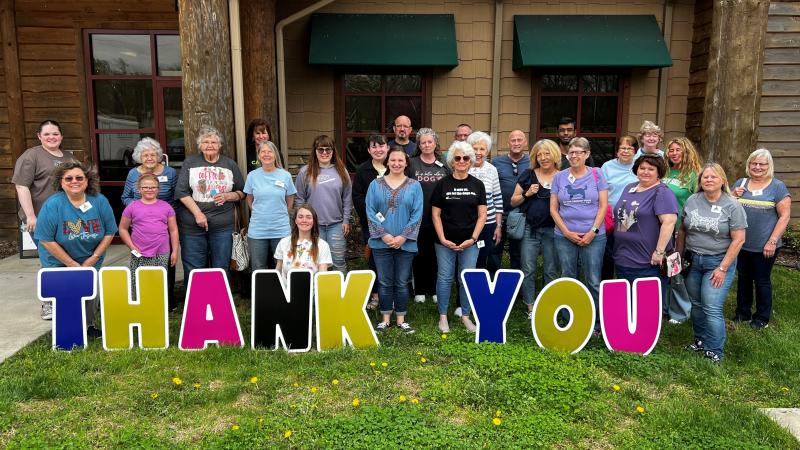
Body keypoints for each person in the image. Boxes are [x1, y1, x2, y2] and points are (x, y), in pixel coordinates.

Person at [34, 162, 117, 337]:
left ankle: (89, 325)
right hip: (58, 260)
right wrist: (71, 264)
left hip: (89, 257)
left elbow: (110, 232)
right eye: (69, 178)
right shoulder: (53, 204)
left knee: (89, 291)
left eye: (79, 177)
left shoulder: (99, 201)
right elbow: (46, 239)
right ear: (61, 182)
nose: (74, 181)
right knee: (66, 293)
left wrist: (93, 258)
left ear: (87, 181)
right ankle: (66, 326)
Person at [677, 163, 747, 363]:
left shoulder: (732, 205)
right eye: (705, 177)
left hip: (718, 261)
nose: (708, 180)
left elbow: (739, 239)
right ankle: (700, 341)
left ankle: (715, 350)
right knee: (696, 304)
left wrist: (722, 268)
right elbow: (683, 230)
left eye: (713, 177)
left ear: (722, 180)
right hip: (693, 260)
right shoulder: (692, 200)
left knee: (712, 306)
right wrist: (678, 257)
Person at [550, 137, 608, 330]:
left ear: (587, 154)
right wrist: (566, 232)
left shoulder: (597, 174)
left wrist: (593, 231)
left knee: (593, 279)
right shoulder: (559, 177)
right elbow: (553, 209)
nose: (574, 156)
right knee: (568, 277)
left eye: (579, 152)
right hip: (565, 236)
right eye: (571, 152)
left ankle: (596, 323)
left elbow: (603, 206)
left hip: (594, 236)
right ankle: (569, 320)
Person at [732, 149, 791, 329]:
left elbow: (784, 216)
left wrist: (772, 241)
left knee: (762, 279)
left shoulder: (777, 186)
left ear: (769, 166)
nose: (757, 167)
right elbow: (726, 206)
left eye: (762, 164)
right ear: (749, 164)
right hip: (741, 243)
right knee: (743, 278)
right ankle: (742, 313)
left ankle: (762, 317)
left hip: (765, 245)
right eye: (754, 163)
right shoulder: (741, 183)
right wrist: (733, 196)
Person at [431, 141, 487, 333]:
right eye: (457, 158)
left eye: (465, 158)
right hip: (444, 242)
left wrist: (472, 239)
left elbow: (482, 216)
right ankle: (443, 317)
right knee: (445, 278)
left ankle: (465, 316)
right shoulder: (442, 184)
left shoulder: (477, 185)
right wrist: (442, 238)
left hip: (470, 242)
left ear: (471, 161)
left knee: (466, 279)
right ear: (452, 161)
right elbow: (435, 215)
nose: (462, 161)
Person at [175, 126, 245, 276]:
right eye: (205, 142)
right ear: (200, 145)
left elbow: (242, 192)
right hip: (192, 226)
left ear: (219, 145)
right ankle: (195, 299)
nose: (210, 145)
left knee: (221, 267)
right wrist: (198, 214)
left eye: (213, 142)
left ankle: (218, 299)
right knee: (194, 268)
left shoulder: (229, 164)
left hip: (223, 227)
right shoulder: (190, 163)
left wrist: (229, 196)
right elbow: (181, 192)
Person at [367, 147, 423, 334]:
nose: (396, 164)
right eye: (393, 160)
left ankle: (401, 318)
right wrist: (384, 235)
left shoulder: (414, 186)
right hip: (380, 242)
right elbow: (370, 210)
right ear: (387, 162)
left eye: (400, 160)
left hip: (405, 243)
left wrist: (402, 237)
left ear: (406, 163)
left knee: (401, 282)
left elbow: (417, 214)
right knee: (384, 281)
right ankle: (385, 318)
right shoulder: (375, 185)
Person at [121, 137, 180, 308]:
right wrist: (139, 211)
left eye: (153, 154)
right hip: (141, 224)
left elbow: (176, 196)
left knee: (166, 263)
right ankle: (140, 300)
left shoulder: (169, 173)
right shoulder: (133, 174)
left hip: (164, 221)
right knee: (139, 268)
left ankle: (166, 301)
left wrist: (165, 211)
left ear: (159, 156)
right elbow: (125, 196)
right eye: (145, 155)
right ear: (140, 156)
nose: (149, 158)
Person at [611, 154, 678, 302]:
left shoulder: (662, 192)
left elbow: (669, 223)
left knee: (646, 306)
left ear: (658, 172)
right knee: (625, 303)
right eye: (642, 168)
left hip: (648, 261)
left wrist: (659, 252)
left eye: (651, 169)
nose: (645, 172)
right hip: (623, 257)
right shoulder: (629, 188)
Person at [511, 139, 560, 319]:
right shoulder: (528, 174)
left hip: (553, 230)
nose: (543, 158)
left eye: (547, 153)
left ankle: (550, 305)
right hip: (529, 229)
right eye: (539, 155)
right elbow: (513, 200)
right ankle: (530, 307)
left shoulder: (562, 176)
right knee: (528, 269)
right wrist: (527, 193)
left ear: (554, 155)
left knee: (550, 269)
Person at [294, 135, 352, 273]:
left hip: (336, 225)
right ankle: (316, 293)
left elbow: (347, 198)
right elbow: (299, 199)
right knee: (313, 262)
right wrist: (302, 221)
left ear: (333, 151)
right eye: (321, 149)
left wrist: (346, 220)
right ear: (315, 151)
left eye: (328, 149)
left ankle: (339, 293)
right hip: (313, 226)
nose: (324, 153)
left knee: (338, 262)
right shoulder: (305, 172)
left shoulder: (341, 171)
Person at [118, 174, 179, 298]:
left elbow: (173, 230)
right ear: (139, 189)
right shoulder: (132, 207)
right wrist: (131, 246)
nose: (149, 190)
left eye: (153, 187)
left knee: (158, 281)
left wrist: (175, 252)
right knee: (138, 281)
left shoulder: (166, 207)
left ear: (158, 189)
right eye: (145, 187)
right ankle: (138, 306)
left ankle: (157, 307)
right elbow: (122, 229)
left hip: (161, 252)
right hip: (139, 251)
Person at [13, 119, 77, 237]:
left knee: (69, 254)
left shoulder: (70, 158)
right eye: (46, 134)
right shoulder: (31, 155)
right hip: (41, 218)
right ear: (39, 136)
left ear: (61, 137)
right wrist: (31, 216)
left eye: (55, 134)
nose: (51, 137)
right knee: (50, 254)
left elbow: (80, 185)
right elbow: (21, 186)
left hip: (68, 217)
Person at [408, 128, 450, 303]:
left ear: (435, 144)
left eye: (430, 142)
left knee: (435, 254)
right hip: (418, 216)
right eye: (423, 142)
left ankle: (433, 288)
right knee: (419, 253)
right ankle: (420, 289)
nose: (426, 145)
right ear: (419, 144)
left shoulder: (443, 164)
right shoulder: (411, 163)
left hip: (439, 218)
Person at [244, 140, 296, 271]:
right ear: (259, 155)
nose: (266, 154)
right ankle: (261, 292)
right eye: (263, 152)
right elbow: (249, 198)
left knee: (283, 266)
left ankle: (283, 291)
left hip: (281, 229)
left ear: (275, 155)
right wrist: (258, 212)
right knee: (258, 267)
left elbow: (290, 197)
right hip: (257, 230)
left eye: (270, 151)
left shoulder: (285, 175)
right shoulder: (252, 176)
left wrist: (283, 212)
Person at [352, 134, 388, 309]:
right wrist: (371, 218)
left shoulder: (395, 165)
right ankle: (375, 295)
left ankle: (391, 295)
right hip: (371, 224)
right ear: (369, 150)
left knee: (393, 257)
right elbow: (358, 197)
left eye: (381, 146)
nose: (378, 149)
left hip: (396, 223)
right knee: (374, 257)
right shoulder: (363, 170)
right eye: (374, 146)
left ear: (387, 148)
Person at [489, 130, 530, 273]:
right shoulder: (496, 162)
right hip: (499, 214)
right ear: (508, 143)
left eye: (520, 140)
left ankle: (516, 288)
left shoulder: (531, 162)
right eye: (513, 140)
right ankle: (492, 283)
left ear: (525, 142)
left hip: (521, 216)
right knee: (494, 251)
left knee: (517, 254)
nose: (517, 143)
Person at [600, 136, 639, 279]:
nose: (626, 151)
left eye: (630, 148)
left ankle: (625, 284)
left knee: (625, 253)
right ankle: (608, 286)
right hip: (609, 216)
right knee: (608, 253)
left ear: (636, 151)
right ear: (617, 151)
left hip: (629, 216)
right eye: (623, 148)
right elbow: (601, 191)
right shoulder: (607, 167)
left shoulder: (640, 166)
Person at [467, 131, 503, 268]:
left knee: (483, 258)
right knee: (468, 260)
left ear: (487, 151)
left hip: (488, 224)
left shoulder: (492, 170)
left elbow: (497, 199)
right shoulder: (464, 168)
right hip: (468, 223)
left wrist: (498, 226)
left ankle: (480, 288)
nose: (478, 152)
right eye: (475, 148)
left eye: (482, 149)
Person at [274, 204, 332, 280]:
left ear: (313, 221)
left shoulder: (323, 245)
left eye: (308, 217)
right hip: (287, 290)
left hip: (312, 291)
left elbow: (322, 276)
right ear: (295, 221)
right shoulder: (283, 243)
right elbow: (278, 271)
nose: (304, 220)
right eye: (300, 217)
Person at [664, 137, 703, 226]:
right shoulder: (664, 171)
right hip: (659, 224)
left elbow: (701, 202)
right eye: (671, 150)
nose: (674, 153)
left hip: (680, 226)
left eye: (678, 150)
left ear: (687, 152)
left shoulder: (694, 175)